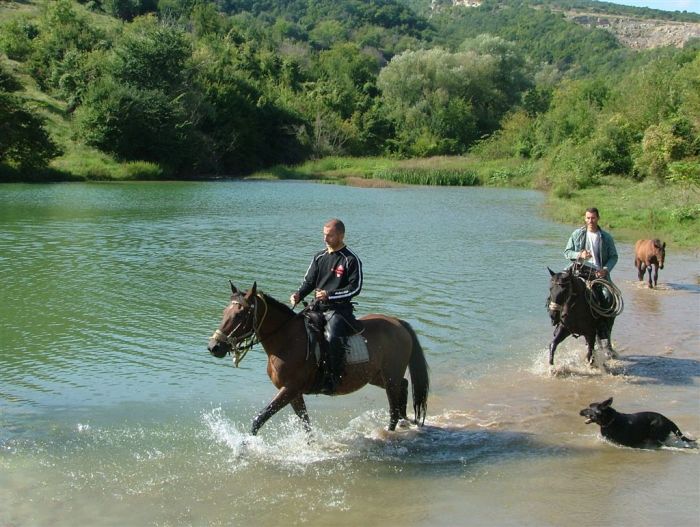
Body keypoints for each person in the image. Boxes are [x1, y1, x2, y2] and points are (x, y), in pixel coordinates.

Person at [290, 219, 363, 392]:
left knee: (332, 338)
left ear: (341, 235)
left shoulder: (350, 259)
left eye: (329, 235)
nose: (325, 239)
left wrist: (329, 295)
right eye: (324, 234)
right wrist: (299, 294)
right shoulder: (319, 257)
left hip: (339, 309)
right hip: (316, 307)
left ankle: (335, 378)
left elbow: (355, 288)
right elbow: (309, 281)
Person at [564, 207, 619, 353]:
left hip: (599, 274)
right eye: (588, 218)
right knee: (560, 289)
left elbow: (614, 256)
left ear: (598, 218)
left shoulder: (606, 237)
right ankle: (560, 321)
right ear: (584, 218)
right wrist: (579, 254)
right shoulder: (577, 234)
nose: (590, 221)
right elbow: (567, 252)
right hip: (580, 271)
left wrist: (605, 269)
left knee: (609, 298)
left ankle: (605, 333)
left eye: (593, 218)